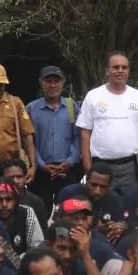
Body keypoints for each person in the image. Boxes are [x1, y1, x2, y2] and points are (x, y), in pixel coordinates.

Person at [76, 51, 138, 192]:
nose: (120, 71)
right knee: (103, 207)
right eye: (116, 67)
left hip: (132, 166)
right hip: (101, 167)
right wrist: (88, 167)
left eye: (124, 68)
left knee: (133, 206)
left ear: (128, 71)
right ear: (107, 71)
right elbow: (85, 134)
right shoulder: (93, 96)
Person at [25, 66, 79, 199]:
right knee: (41, 211)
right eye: (49, 81)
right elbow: (29, 141)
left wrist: (69, 162)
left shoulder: (72, 106)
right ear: (41, 83)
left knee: (70, 211)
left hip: (68, 172)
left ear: (63, 83)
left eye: (57, 81)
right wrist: (41, 165)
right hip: (40, 173)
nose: (53, 85)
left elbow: (78, 137)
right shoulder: (32, 109)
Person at [0, 179, 45, 265]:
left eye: (9, 199)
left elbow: (37, 246)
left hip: (24, 267)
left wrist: (17, 262)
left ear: (15, 200)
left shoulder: (26, 213)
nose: (4, 204)